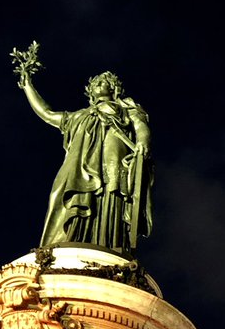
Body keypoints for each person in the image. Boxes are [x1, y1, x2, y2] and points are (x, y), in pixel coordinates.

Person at [17, 68, 152, 252]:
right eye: (96, 82)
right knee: (61, 195)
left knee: (108, 194)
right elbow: (47, 114)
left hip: (112, 160)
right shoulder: (78, 116)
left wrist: (143, 142)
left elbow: (140, 125)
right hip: (77, 167)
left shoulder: (125, 108)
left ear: (114, 89)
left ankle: (108, 245)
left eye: (104, 82)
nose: (99, 84)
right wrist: (27, 85)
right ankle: (68, 240)